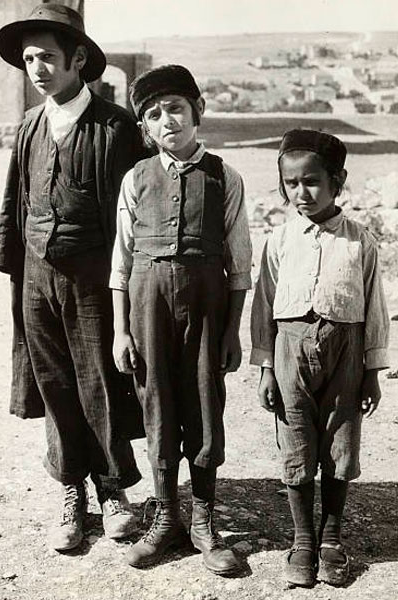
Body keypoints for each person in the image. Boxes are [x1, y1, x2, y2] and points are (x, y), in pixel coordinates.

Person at [0, 3, 146, 552]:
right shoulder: (30, 125)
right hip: (36, 280)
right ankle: (72, 491)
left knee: (99, 380)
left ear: (78, 59)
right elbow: (16, 201)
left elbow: (134, 213)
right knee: (54, 384)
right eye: (30, 59)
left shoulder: (116, 126)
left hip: (92, 283)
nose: (37, 68)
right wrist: (14, 269)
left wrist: (128, 282)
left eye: (48, 58)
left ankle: (112, 491)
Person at [110, 64, 252, 575]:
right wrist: (121, 330)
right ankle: (167, 517)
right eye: (152, 114)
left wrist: (233, 330)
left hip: (209, 309)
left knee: (204, 405)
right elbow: (120, 264)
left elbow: (240, 263)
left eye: (175, 108)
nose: (165, 119)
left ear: (198, 112)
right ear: (144, 128)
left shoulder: (224, 176)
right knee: (158, 405)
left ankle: (204, 522)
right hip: (148, 304)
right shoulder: (135, 178)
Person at [250, 129, 390, 587]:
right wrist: (268, 367)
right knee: (296, 444)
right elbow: (264, 305)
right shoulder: (280, 240)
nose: (300, 193)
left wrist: (371, 370)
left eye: (310, 182)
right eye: (291, 184)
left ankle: (331, 537)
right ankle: (303, 540)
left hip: (345, 352)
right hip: (291, 351)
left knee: (340, 442)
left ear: (337, 181)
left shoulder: (359, 241)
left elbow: (374, 308)